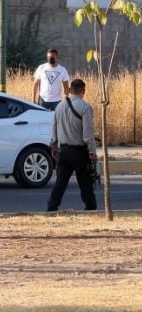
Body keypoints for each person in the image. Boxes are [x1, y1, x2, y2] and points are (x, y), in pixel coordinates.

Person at [46, 79, 97, 212]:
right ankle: (90, 208)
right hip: (79, 151)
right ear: (82, 91)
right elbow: (88, 134)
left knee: (60, 182)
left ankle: (52, 207)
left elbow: (54, 128)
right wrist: (92, 151)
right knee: (85, 182)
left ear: (70, 90)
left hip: (63, 151)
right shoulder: (85, 107)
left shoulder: (59, 106)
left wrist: (54, 146)